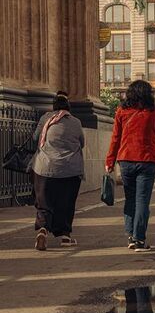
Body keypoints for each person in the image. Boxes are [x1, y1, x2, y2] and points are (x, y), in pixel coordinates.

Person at [105, 80, 155, 251]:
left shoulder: (121, 112)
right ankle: (139, 239)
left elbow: (115, 138)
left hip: (126, 160)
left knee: (130, 199)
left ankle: (131, 236)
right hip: (147, 161)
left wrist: (110, 161)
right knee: (142, 201)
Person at [32, 93, 85, 251]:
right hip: (70, 170)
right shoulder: (76, 122)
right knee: (66, 203)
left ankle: (42, 230)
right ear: (69, 107)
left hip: (45, 168)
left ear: (53, 106)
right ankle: (65, 237)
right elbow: (82, 143)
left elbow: (36, 138)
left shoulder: (45, 119)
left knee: (44, 202)